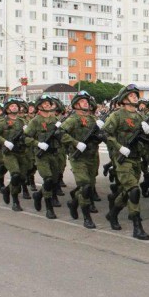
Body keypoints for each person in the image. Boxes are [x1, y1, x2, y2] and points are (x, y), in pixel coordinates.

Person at [103, 84, 149, 239]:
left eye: (135, 95)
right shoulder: (117, 115)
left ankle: (112, 214)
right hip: (122, 159)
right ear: (124, 99)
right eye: (131, 95)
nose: (135, 97)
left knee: (127, 193)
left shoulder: (139, 117)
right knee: (134, 190)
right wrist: (119, 147)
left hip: (136, 158)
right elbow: (105, 133)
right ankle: (137, 226)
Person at [60, 91, 104, 229]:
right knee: (85, 186)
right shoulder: (73, 119)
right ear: (76, 104)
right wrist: (75, 142)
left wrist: (101, 134)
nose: (86, 103)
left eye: (87, 101)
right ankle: (86, 217)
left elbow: (98, 136)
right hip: (78, 158)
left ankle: (74, 203)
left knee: (89, 186)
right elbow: (60, 133)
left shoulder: (91, 119)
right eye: (83, 101)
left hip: (91, 156)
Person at [23, 95, 63, 219]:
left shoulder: (55, 120)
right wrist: (38, 143)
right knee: (48, 179)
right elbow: (25, 137)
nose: (47, 105)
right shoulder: (35, 121)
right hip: (42, 155)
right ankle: (49, 208)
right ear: (39, 106)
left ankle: (39, 195)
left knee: (55, 181)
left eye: (48, 103)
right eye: (44, 104)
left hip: (54, 154)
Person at [0, 98, 31, 211]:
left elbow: (31, 133)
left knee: (22, 178)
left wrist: (27, 130)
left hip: (22, 152)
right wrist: (5, 142)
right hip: (9, 154)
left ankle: (7, 189)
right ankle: (15, 200)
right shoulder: (2, 122)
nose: (14, 107)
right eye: (12, 106)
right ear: (7, 109)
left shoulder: (22, 121)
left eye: (16, 106)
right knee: (15, 175)